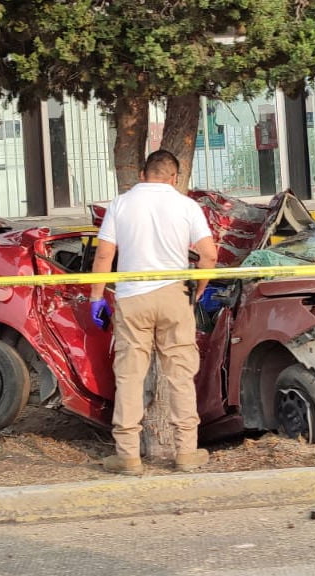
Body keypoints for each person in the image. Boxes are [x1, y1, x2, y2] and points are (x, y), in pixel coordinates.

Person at [89, 150, 218, 476]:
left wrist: (95, 298)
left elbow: (104, 256)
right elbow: (209, 255)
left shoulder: (120, 204)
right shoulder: (187, 206)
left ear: (143, 174)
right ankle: (186, 452)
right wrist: (200, 287)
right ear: (174, 177)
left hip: (132, 297)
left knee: (130, 376)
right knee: (180, 375)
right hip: (175, 295)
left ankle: (128, 456)